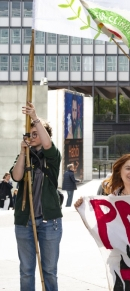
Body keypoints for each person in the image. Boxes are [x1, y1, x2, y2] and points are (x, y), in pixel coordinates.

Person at [11, 102, 62, 291]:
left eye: (36, 134)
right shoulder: (25, 156)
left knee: (49, 270)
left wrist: (35, 117)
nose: (32, 137)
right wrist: (22, 153)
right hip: (25, 221)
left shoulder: (52, 156)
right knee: (26, 270)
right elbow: (16, 176)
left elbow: (47, 144)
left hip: (50, 221)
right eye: (29, 134)